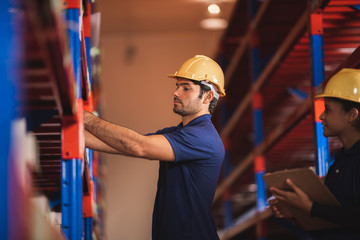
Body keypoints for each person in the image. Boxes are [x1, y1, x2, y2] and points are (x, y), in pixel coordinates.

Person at [83, 55, 226, 240]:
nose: (176, 93)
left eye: (186, 88)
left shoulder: (203, 138)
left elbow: (137, 146)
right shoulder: (178, 133)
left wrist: (85, 118)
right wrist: (74, 135)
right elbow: (123, 146)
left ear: (207, 96)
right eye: (177, 86)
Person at [269, 68, 360, 239]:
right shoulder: (339, 165)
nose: (321, 115)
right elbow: (334, 222)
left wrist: (311, 208)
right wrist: (297, 212)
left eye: (328, 109)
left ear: (352, 115)